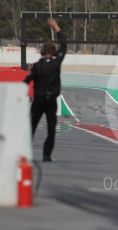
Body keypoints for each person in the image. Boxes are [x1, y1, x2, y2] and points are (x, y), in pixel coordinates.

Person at [23, 18, 67, 162]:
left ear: (42, 52)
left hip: (38, 100)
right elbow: (64, 44)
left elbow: (27, 81)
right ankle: (46, 155)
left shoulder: (36, 66)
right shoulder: (56, 61)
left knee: (31, 127)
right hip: (51, 101)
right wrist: (56, 27)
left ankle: (25, 153)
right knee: (51, 129)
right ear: (53, 53)